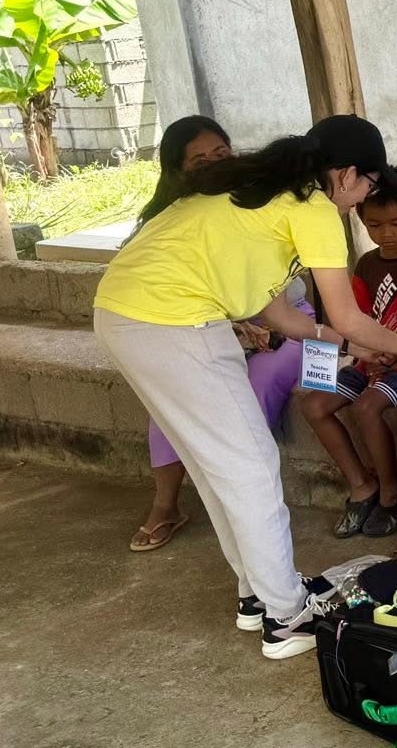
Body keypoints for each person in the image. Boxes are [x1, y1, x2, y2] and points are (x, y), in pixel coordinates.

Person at [94, 116, 397, 660]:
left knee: (219, 466)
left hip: (127, 314)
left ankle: (256, 594)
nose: (363, 199)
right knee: (251, 467)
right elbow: (350, 316)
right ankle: (285, 616)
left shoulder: (264, 188)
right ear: (347, 174)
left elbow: (276, 309)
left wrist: (347, 339)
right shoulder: (315, 208)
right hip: (173, 322)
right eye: (368, 186)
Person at [125, 117, 307, 557]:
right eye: (198, 160)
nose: (212, 166)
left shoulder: (257, 197)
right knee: (170, 405)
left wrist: (261, 323)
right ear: (177, 170)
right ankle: (166, 506)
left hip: (288, 322)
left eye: (220, 155)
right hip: (208, 326)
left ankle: (246, 495)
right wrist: (232, 324)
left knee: (257, 383)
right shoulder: (164, 217)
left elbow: (284, 282)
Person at [298, 167, 397, 540]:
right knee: (313, 406)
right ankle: (362, 485)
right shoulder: (367, 264)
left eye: (396, 223)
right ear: (360, 219)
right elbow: (355, 317)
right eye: (374, 225)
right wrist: (369, 351)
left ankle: (391, 493)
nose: (386, 233)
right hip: (372, 362)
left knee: (368, 406)